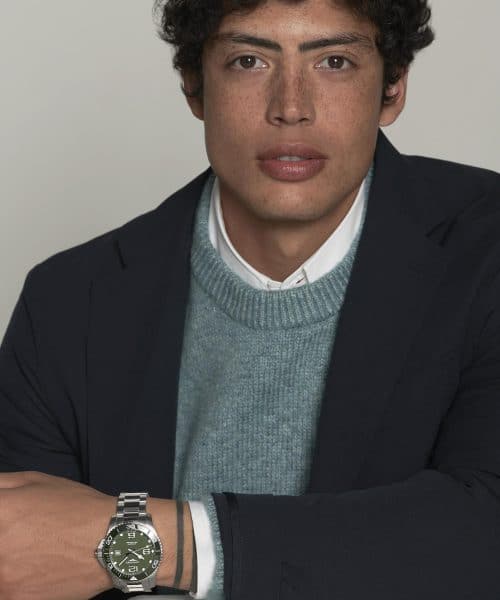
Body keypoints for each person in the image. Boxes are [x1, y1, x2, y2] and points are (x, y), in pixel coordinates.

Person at [0, 0, 499, 599]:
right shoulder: (66, 303)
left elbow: (483, 533)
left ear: (392, 87)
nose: (291, 107)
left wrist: (167, 544)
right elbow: (23, 554)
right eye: (249, 61)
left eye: (334, 62)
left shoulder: (486, 251)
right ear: (195, 86)